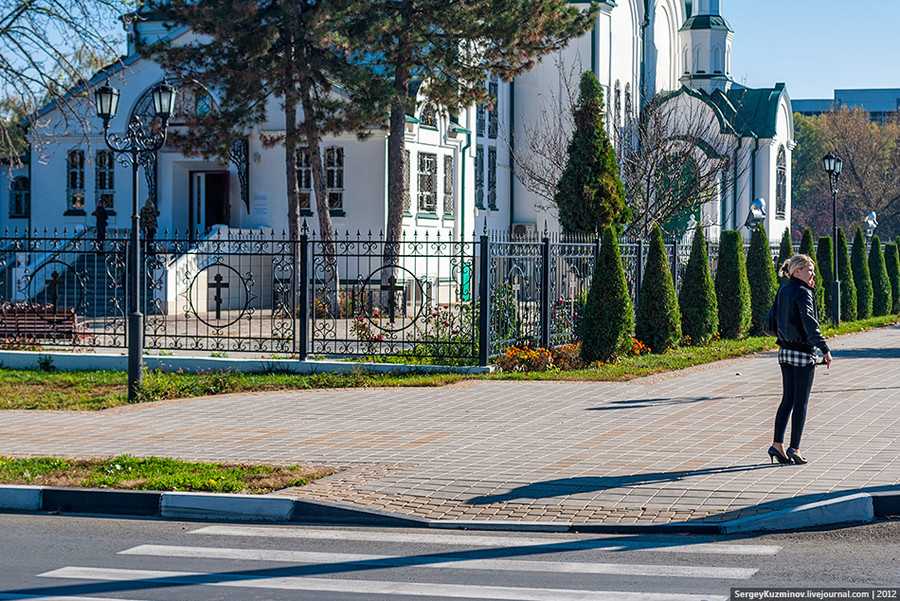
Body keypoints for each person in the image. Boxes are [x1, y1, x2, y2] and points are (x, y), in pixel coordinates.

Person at [767, 254, 833, 465]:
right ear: (797, 271)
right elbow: (809, 322)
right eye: (809, 270)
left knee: (787, 399)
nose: (812, 273)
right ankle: (794, 448)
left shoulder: (783, 289)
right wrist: (824, 347)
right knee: (801, 402)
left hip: (784, 351)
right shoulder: (804, 292)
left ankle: (777, 445)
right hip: (803, 353)